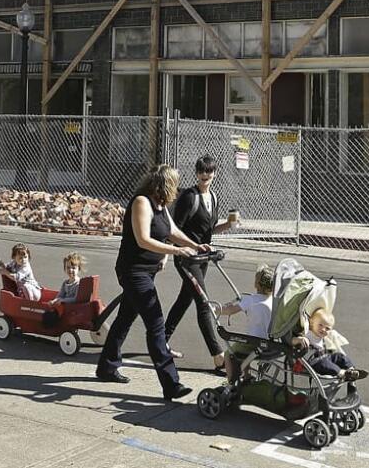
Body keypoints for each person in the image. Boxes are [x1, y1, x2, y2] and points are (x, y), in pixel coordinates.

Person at [95, 165, 209, 401]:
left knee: (125, 316)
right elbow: (143, 240)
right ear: (165, 185)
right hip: (133, 271)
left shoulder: (160, 206)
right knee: (156, 323)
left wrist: (195, 246)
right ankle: (171, 384)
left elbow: (173, 231)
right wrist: (176, 252)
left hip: (148, 271)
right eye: (174, 185)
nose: (177, 190)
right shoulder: (141, 203)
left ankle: (106, 366)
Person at [164, 155, 240, 373]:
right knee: (204, 304)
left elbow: (208, 230)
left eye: (209, 171)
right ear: (196, 173)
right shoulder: (189, 196)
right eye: (201, 171)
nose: (205, 175)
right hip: (187, 258)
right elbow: (175, 230)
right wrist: (174, 252)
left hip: (203, 258)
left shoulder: (213, 197)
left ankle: (161, 340)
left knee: (185, 300)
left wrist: (228, 224)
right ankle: (217, 356)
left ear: (214, 173)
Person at [217, 263, 275, 381]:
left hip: (254, 344)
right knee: (245, 345)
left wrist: (216, 310)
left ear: (256, 284)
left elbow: (230, 310)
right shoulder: (274, 301)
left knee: (230, 353)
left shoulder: (250, 300)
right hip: (271, 345)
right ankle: (247, 376)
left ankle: (231, 382)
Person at [292, 307, 368, 382]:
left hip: (325, 357)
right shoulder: (307, 333)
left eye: (327, 328)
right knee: (326, 364)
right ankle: (344, 374)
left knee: (339, 356)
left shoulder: (323, 336)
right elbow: (292, 341)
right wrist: (299, 340)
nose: (323, 329)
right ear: (312, 323)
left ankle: (351, 370)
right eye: (320, 325)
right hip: (313, 362)